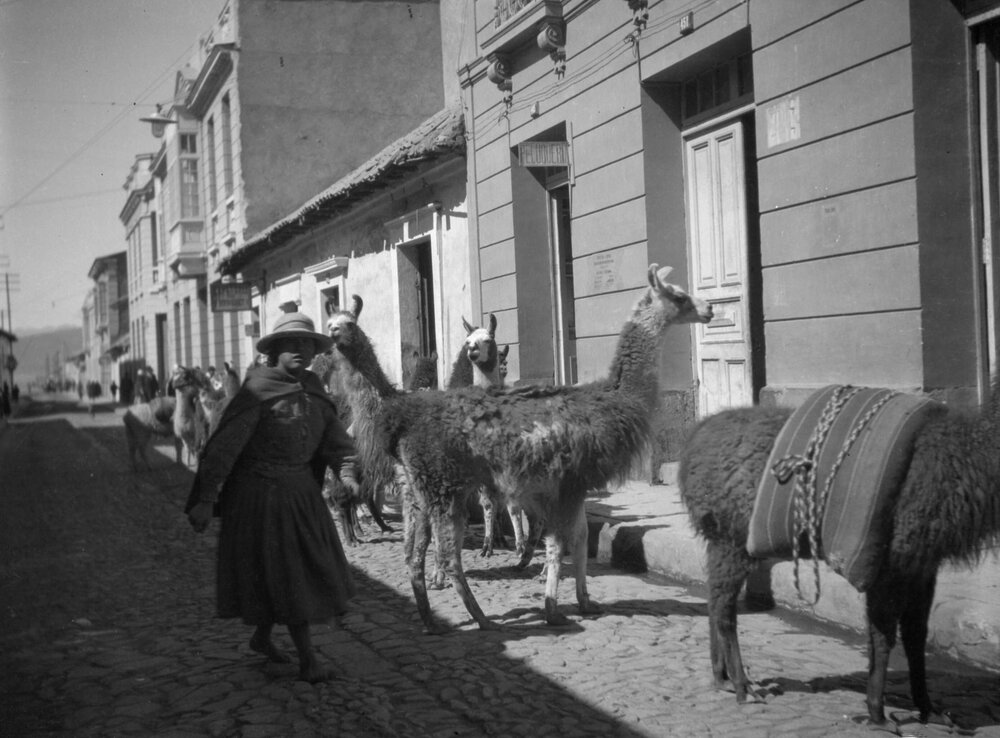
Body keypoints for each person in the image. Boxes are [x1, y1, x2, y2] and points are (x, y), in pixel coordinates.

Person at [185, 311, 358, 683]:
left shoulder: (314, 392)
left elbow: (336, 441)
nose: (302, 351)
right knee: (289, 573)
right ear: (274, 350)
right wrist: (205, 498)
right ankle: (309, 660)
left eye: (308, 345)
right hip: (260, 500)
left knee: (281, 574)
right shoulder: (256, 394)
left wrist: (347, 472)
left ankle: (262, 639)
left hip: (301, 498)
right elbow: (223, 449)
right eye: (292, 344)